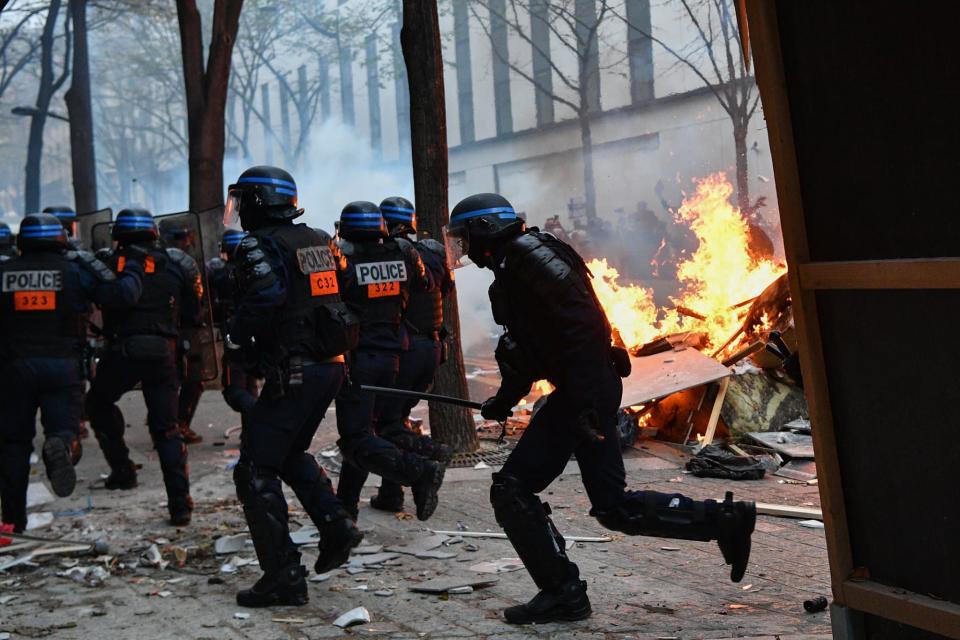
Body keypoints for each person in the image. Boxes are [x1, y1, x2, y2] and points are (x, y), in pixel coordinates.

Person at [445, 193, 757, 625]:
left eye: (463, 237)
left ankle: (564, 593)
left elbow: (580, 327)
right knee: (614, 507)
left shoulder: (526, 259)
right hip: (586, 390)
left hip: (583, 393)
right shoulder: (521, 259)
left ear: (484, 230)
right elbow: (530, 346)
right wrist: (505, 399)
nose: (462, 249)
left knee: (511, 490)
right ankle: (723, 520)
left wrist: (583, 401)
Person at [223, 166, 363, 608]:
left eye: (242, 200)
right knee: (288, 454)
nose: (239, 209)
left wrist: (236, 335)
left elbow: (265, 295)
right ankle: (337, 525)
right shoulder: (318, 237)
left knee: (254, 470)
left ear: (259, 202)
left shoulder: (257, 244)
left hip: (297, 369)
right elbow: (339, 290)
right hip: (330, 366)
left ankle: (283, 575)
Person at [0, 213, 143, 531]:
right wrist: (132, 265)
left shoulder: (5, 271)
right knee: (63, 427)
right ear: (60, 238)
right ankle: (61, 446)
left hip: (14, 368)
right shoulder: (75, 270)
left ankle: (12, 522)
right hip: (62, 367)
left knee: (13, 443)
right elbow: (119, 296)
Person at [86, 208, 202, 526]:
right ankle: (180, 505)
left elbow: (96, 301)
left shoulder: (110, 264)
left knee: (97, 404)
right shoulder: (177, 266)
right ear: (154, 234)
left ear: (118, 237)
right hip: (164, 354)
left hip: (122, 351)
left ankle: (123, 471)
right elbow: (194, 314)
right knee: (166, 429)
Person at [333, 201, 447, 522]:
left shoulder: (346, 262)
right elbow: (425, 285)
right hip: (394, 356)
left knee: (357, 437)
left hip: (362, 359)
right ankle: (348, 505)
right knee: (380, 429)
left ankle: (422, 467)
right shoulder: (404, 256)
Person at [365, 197, 454, 513]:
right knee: (394, 419)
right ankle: (391, 495)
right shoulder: (434, 251)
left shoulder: (393, 257)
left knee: (377, 426)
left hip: (405, 349)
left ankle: (430, 455)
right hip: (432, 350)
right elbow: (443, 293)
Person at [207, 229, 259, 416]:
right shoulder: (256, 273)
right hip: (255, 335)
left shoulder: (220, 275)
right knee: (250, 384)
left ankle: (259, 416)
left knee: (234, 389)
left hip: (234, 338)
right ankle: (252, 435)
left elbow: (212, 305)